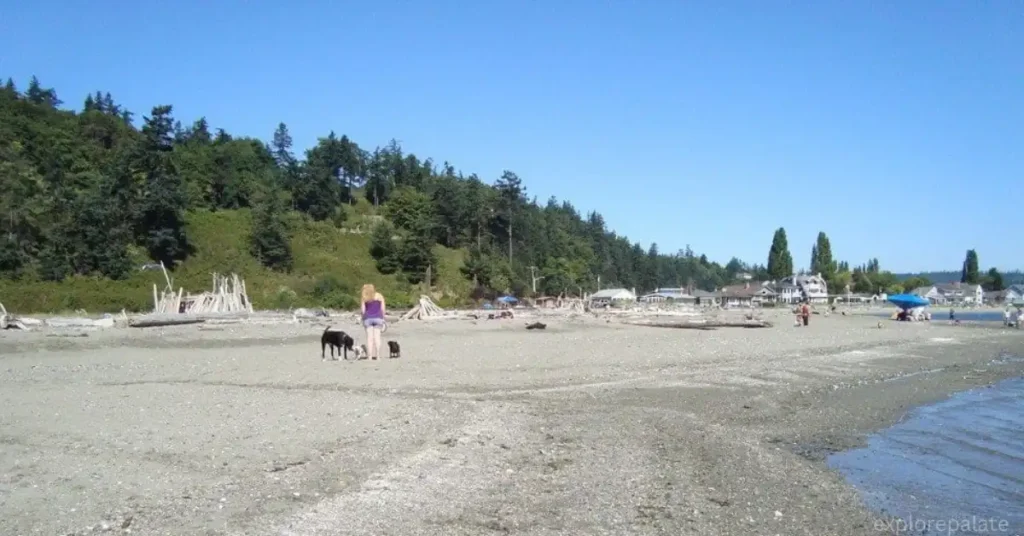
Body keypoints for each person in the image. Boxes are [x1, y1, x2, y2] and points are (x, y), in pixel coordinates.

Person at [360, 284, 386, 360]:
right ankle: (378, 356)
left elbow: (363, 311)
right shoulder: (379, 296)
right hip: (378, 318)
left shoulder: (364, 297)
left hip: (368, 318)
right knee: (377, 338)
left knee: (370, 338)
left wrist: (362, 318)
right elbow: (383, 309)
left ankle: (370, 356)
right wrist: (383, 318)